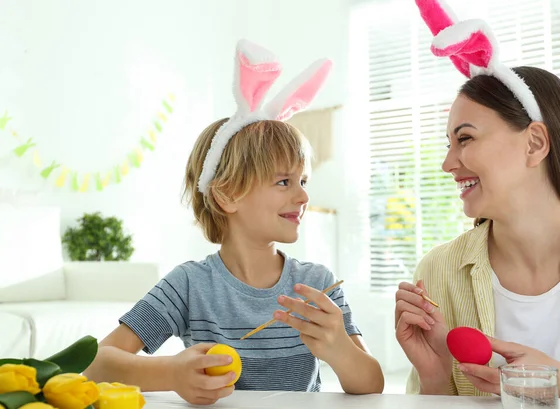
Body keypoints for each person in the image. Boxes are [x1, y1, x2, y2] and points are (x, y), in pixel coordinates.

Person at [84, 40, 384, 405]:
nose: (304, 197)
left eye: (303, 181)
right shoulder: (189, 285)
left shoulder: (315, 285)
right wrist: (170, 374)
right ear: (226, 195)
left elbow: (371, 384)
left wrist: (340, 348)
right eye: (283, 182)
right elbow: (96, 364)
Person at [394, 0, 560, 399]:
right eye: (448, 143)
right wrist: (436, 378)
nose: (447, 163)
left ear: (535, 143)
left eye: (465, 138)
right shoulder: (438, 271)